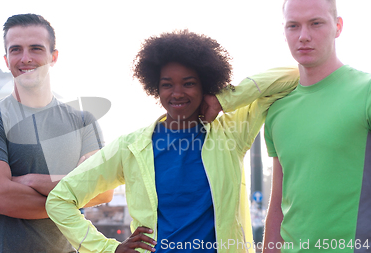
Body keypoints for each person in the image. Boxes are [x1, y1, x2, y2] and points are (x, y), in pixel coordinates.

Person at [46, 29, 299, 252]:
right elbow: (60, 199)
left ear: (205, 86)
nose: (177, 93)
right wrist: (108, 249)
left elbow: (292, 75)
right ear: (156, 89)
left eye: (189, 83)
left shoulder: (230, 133)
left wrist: (226, 100)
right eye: (167, 85)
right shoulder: (131, 148)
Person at [0, 14, 113, 253]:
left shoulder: (84, 121)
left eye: (36, 49)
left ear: (53, 57)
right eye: (16, 50)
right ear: (6, 59)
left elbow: (103, 191)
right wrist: (72, 192)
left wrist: (31, 181)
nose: (26, 58)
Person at [263, 0, 371, 252]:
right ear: (284, 30)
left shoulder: (366, 92)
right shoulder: (277, 109)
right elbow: (278, 203)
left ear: (338, 26)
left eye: (316, 23)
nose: (303, 36)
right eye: (293, 26)